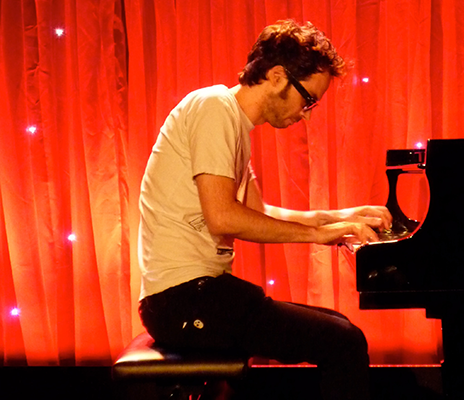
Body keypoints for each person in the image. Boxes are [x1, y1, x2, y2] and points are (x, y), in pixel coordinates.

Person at [137, 19, 392, 400]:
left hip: (202, 294)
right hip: (182, 301)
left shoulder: (233, 124)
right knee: (343, 341)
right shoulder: (213, 109)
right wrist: (317, 235)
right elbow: (223, 217)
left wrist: (343, 217)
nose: (306, 113)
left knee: (338, 326)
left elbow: (260, 211)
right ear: (276, 76)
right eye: (308, 99)